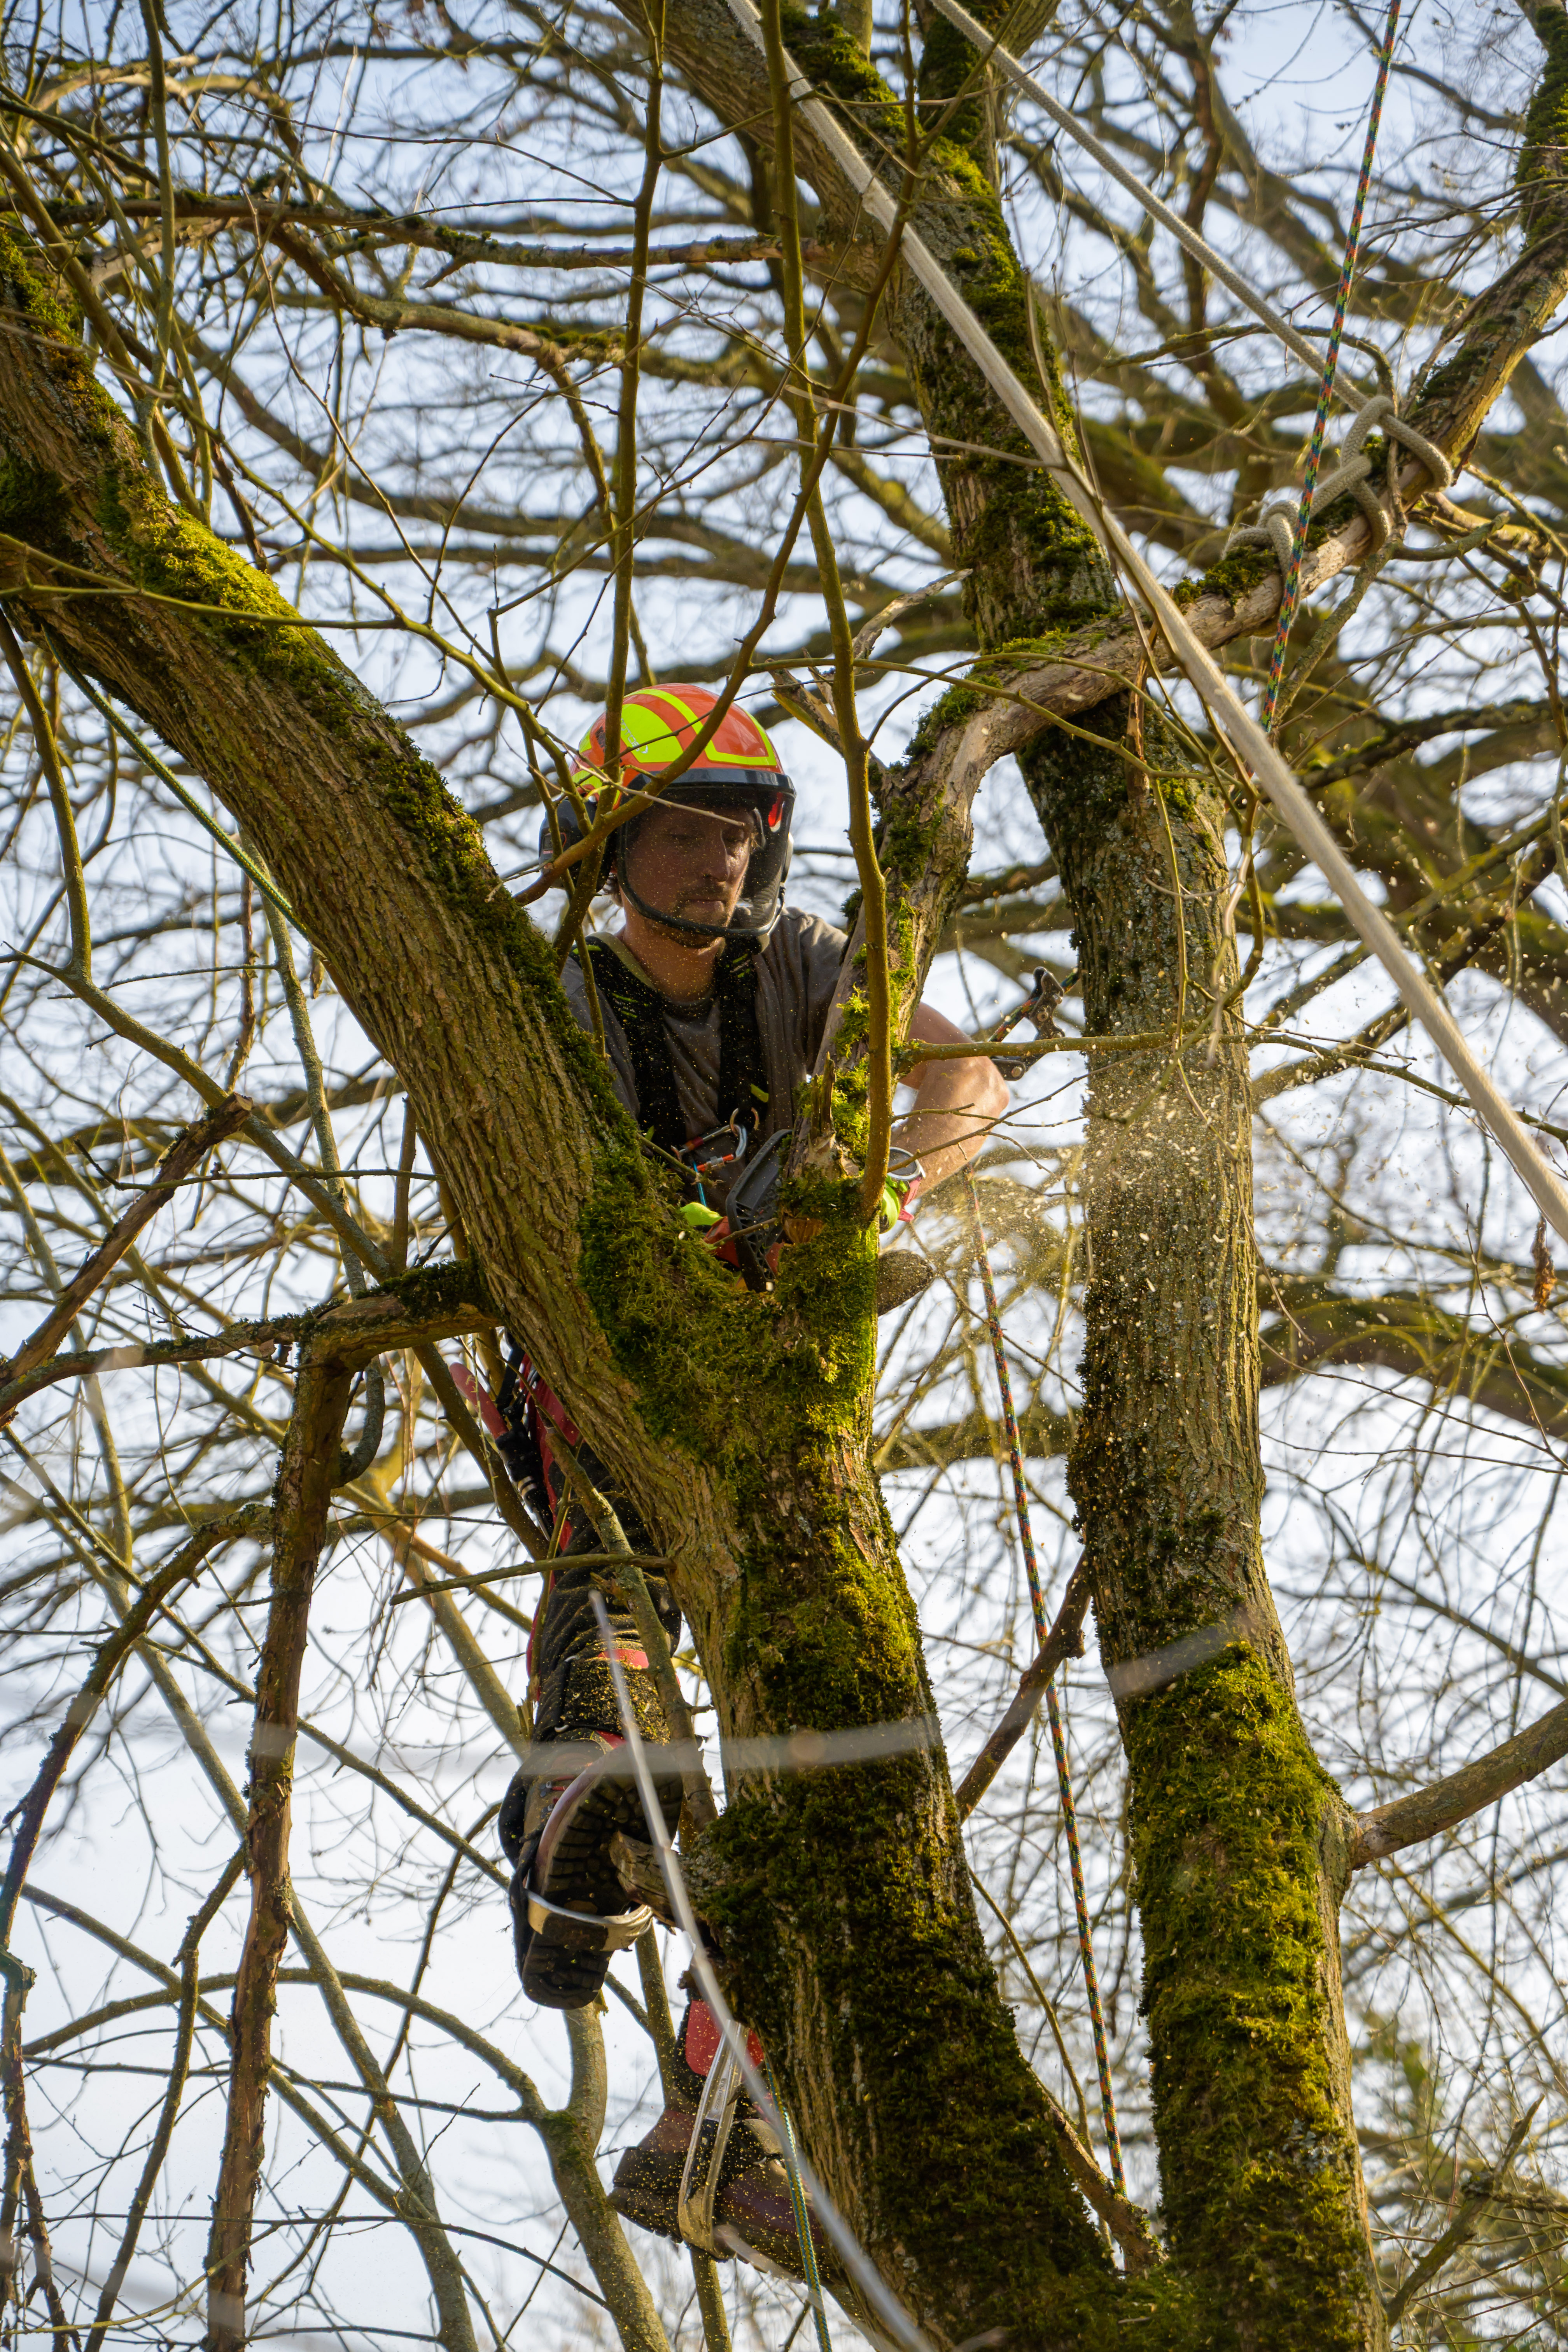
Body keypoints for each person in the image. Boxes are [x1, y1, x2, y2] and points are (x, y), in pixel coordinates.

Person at [479, 684, 1007, 2271]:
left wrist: (877, 1194)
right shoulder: (544, 1002)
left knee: (815, 1744)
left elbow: (969, 1083)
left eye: (743, 827)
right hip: (599, 1369)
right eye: (688, 826)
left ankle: (720, 2099)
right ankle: (589, 1760)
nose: (722, 857)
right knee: (623, 1594)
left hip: (774, 1414)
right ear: (614, 839)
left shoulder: (802, 967)